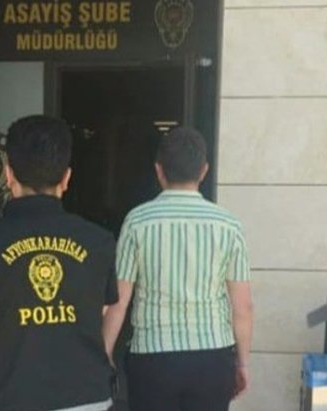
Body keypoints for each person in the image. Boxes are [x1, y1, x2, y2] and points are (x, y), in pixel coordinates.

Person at [0, 115, 122, 411]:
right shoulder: (99, 242)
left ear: (8, 175)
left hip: (8, 399)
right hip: (86, 397)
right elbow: (98, 311)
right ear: (66, 178)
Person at [104, 127, 254, 411]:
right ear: (204, 171)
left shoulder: (137, 221)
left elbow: (118, 301)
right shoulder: (228, 225)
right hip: (213, 357)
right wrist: (242, 363)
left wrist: (106, 355)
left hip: (153, 358)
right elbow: (243, 306)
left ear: (159, 170)